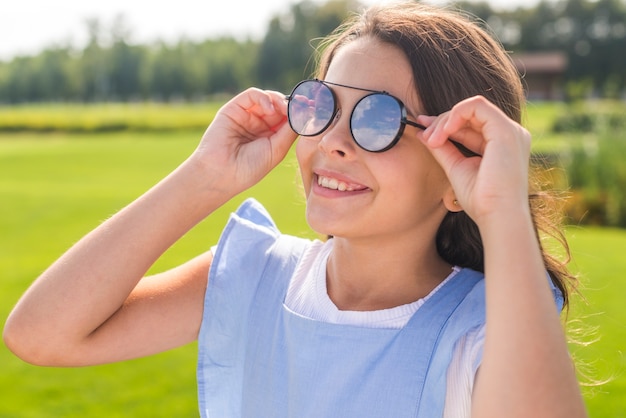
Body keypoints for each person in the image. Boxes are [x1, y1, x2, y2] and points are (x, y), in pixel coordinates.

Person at [4, 2, 587, 417]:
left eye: (379, 119)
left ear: (463, 170)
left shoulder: (488, 328)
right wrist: (205, 177)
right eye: (324, 105)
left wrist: (501, 211)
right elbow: (42, 335)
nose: (334, 138)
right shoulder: (256, 276)